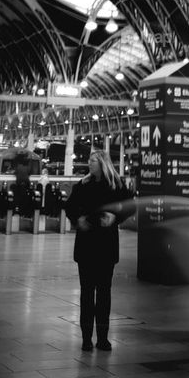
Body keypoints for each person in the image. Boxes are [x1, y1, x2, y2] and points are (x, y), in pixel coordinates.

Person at [63, 150, 132, 352]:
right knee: (86, 293)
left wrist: (115, 217)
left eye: (93, 160)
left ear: (102, 163)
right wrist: (78, 220)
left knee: (103, 293)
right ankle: (86, 338)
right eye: (89, 160)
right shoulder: (83, 185)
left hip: (105, 245)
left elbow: (130, 206)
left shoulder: (116, 185)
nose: (89, 163)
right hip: (86, 244)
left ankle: (103, 338)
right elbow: (69, 207)